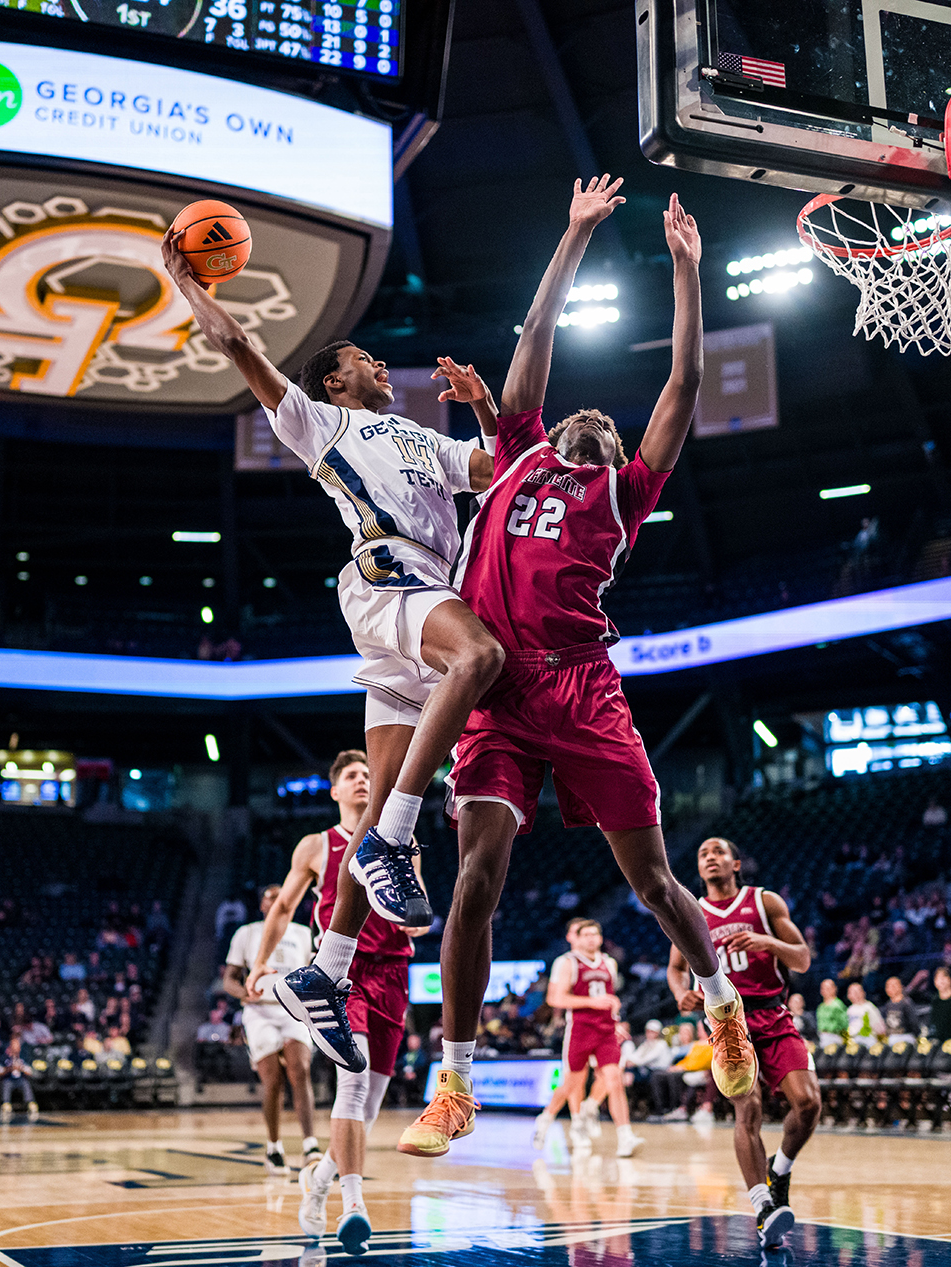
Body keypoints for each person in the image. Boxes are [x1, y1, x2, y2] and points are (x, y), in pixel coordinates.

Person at [397, 181, 753, 1162]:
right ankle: (456, 1082)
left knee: (651, 883)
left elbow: (680, 387)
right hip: (502, 693)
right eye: (572, 418)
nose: (585, 420)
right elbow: (536, 336)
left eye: (601, 422)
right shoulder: (514, 451)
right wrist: (571, 235)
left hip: (585, 686)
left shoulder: (626, 487)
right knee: (474, 877)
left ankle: (718, 1003)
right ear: (548, 432)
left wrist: (686, 269)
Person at [162, 229, 505, 1076]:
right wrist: (184, 283)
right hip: (393, 585)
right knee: (483, 658)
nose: (382, 367)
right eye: (364, 359)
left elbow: (497, 467)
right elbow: (238, 343)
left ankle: (323, 969)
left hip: (418, 608)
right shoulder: (320, 422)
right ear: (332, 380)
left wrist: (484, 400)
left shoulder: (424, 436)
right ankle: (390, 842)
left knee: (388, 792)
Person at [245, 750, 423, 1255]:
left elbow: (418, 911)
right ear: (335, 791)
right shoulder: (318, 844)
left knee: (371, 1103)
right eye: (352, 776)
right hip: (343, 975)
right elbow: (284, 907)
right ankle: (353, 1202)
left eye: (368, 773)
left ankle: (319, 1179)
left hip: (393, 973)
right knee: (354, 1080)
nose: (363, 780)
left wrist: (416, 917)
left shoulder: (401, 840)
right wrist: (260, 963)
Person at [664, 837, 820, 1250]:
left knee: (808, 1104)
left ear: (735, 863)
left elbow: (802, 959)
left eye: (717, 852)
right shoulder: (692, 912)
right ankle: (763, 1207)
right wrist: (682, 993)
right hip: (728, 1022)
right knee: (747, 1107)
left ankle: (779, 1170)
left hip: (773, 1013)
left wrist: (767, 943)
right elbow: (676, 969)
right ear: (699, 870)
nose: (710, 858)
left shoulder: (764, 902)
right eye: (702, 854)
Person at [224, 884, 319, 1172]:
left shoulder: (303, 933)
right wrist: (243, 993)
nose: (277, 899)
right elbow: (229, 979)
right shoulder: (247, 933)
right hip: (259, 1010)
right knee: (272, 1079)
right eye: (270, 896)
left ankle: (310, 1145)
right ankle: (274, 1147)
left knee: (300, 1069)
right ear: (262, 905)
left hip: (294, 1010)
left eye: (282, 895)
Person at [530, 919, 641, 1158]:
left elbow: (607, 997)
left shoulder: (609, 963)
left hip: (606, 1029)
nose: (591, 938)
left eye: (595, 934)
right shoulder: (567, 962)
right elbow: (555, 999)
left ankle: (624, 1135)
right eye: (586, 934)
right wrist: (592, 1003)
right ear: (576, 938)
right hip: (580, 1029)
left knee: (614, 1079)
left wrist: (616, 1016)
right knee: (572, 1083)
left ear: (601, 938)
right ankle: (548, 1117)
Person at [0, 1036, 37, 1121]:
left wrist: (21, 1068)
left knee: (25, 1084)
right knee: (6, 1084)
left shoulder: (23, 1057)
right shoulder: (5, 1058)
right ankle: (6, 1104)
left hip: (20, 1079)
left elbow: (30, 1071)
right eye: (13, 1045)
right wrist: (9, 1069)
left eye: (17, 1045)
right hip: (9, 1079)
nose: (15, 1048)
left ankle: (31, 1103)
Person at [842, 982, 885, 1049]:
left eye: (858, 991)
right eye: (852, 992)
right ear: (848, 996)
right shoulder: (850, 1010)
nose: (856, 994)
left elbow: (880, 1028)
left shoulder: (869, 1007)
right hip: (854, 1042)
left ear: (863, 993)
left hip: (868, 1041)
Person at [814, 979, 849, 1047]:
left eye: (828, 988)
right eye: (823, 988)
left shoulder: (838, 1005)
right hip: (821, 1037)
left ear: (834, 989)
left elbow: (844, 1024)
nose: (824, 991)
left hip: (834, 1037)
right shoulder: (820, 1007)